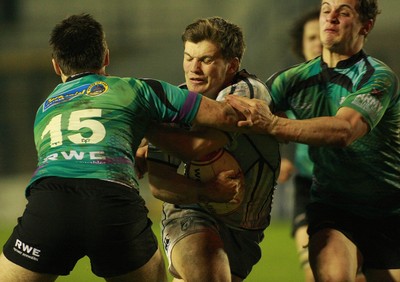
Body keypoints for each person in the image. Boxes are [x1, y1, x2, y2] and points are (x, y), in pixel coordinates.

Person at [0, 14, 246, 282]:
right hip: (113, 203)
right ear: (106, 56)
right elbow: (225, 117)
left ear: (56, 66)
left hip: (51, 204)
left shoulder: (46, 107)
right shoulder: (137, 89)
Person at [226, 0, 400, 281]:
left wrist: (273, 124)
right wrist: (164, 138)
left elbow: (344, 131)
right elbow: (235, 116)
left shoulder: (378, 77)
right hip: (333, 205)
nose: (330, 18)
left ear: (365, 26)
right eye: (325, 10)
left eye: (343, 13)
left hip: (388, 209)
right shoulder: (291, 79)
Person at [144, 17, 280, 281]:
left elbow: (198, 147)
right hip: (189, 214)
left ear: (232, 65)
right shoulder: (172, 105)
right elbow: (160, 185)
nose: (194, 68)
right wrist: (206, 191)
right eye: (188, 57)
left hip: (245, 228)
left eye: (206, 60)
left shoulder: (249, 93)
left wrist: (149, 129)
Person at [278, 8, 321, 282]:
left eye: (321, 36)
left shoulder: (357, 83)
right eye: (311, 37)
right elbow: (276, 122)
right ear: (301, 44)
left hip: (350, 186)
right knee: (314, 269)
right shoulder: (290, 85)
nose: (318, 42)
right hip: (307, 185)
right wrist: (284, 156)